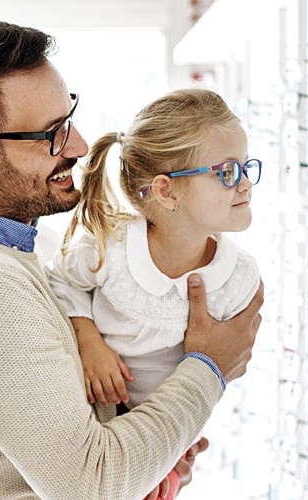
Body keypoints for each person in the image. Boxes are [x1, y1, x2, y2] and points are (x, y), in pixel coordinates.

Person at [0, 21, 263, 500]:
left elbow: (94, 444)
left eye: (69, 120)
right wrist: (208, 366)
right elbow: (92, 485)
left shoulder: (37, 250)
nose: (78, 147)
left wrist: (158, 456)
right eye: (52, 134)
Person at [46, 88, 262, 498]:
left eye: (248, 167)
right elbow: (62, 282)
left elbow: (230, 362)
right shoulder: (109, 247)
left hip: (169, 434)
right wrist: (89, 340)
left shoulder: (239, 278)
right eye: (228, 172)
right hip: (101, 423)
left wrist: (181, 441)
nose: (247, 184)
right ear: (166, 191)